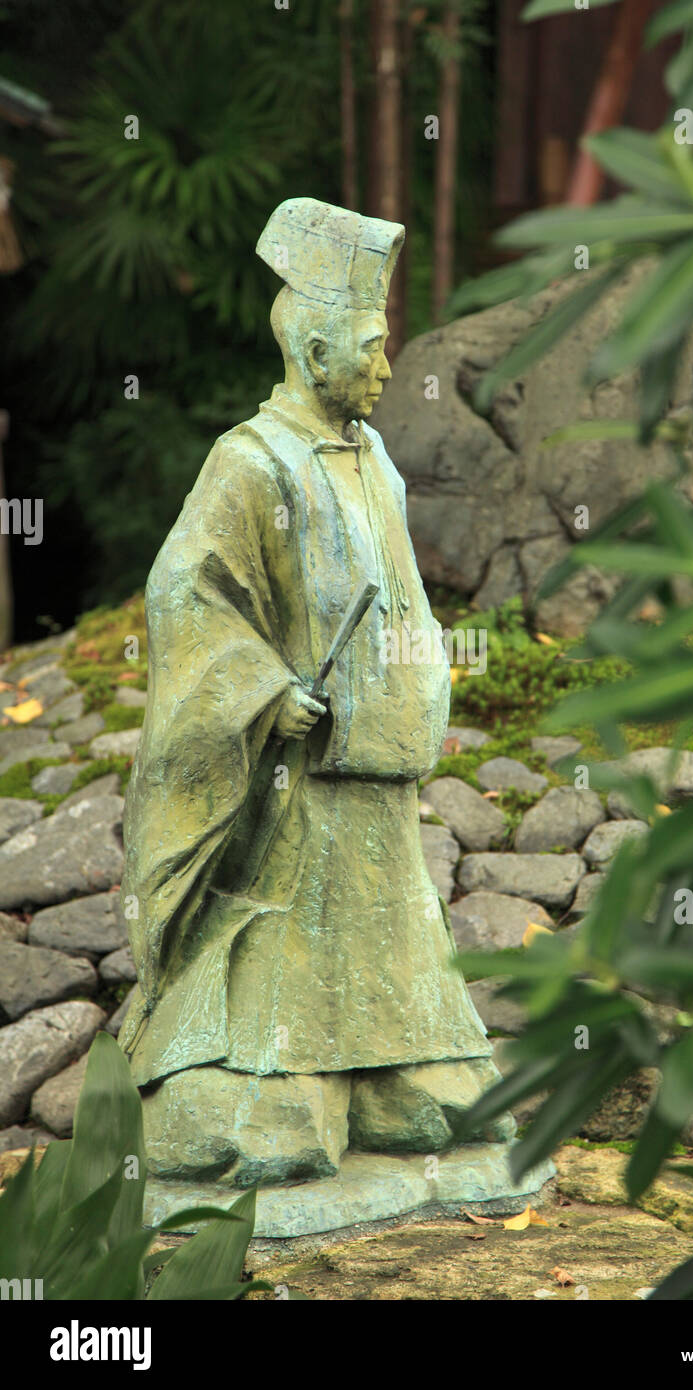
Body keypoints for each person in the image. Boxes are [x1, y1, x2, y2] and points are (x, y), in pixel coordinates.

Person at [119, 198, 513, 1185]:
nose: (387, 369)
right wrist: (260, 688)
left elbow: (402, 589)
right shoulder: (249, 463)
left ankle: (389, 1072)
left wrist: (426, 680)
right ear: (310, 347)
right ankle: (268, 1076)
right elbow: (183, 598)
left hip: (382, 774)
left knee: (441, 1084)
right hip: (301, 782)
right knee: (277, 1116)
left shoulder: (374, 457)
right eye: (371, 348)